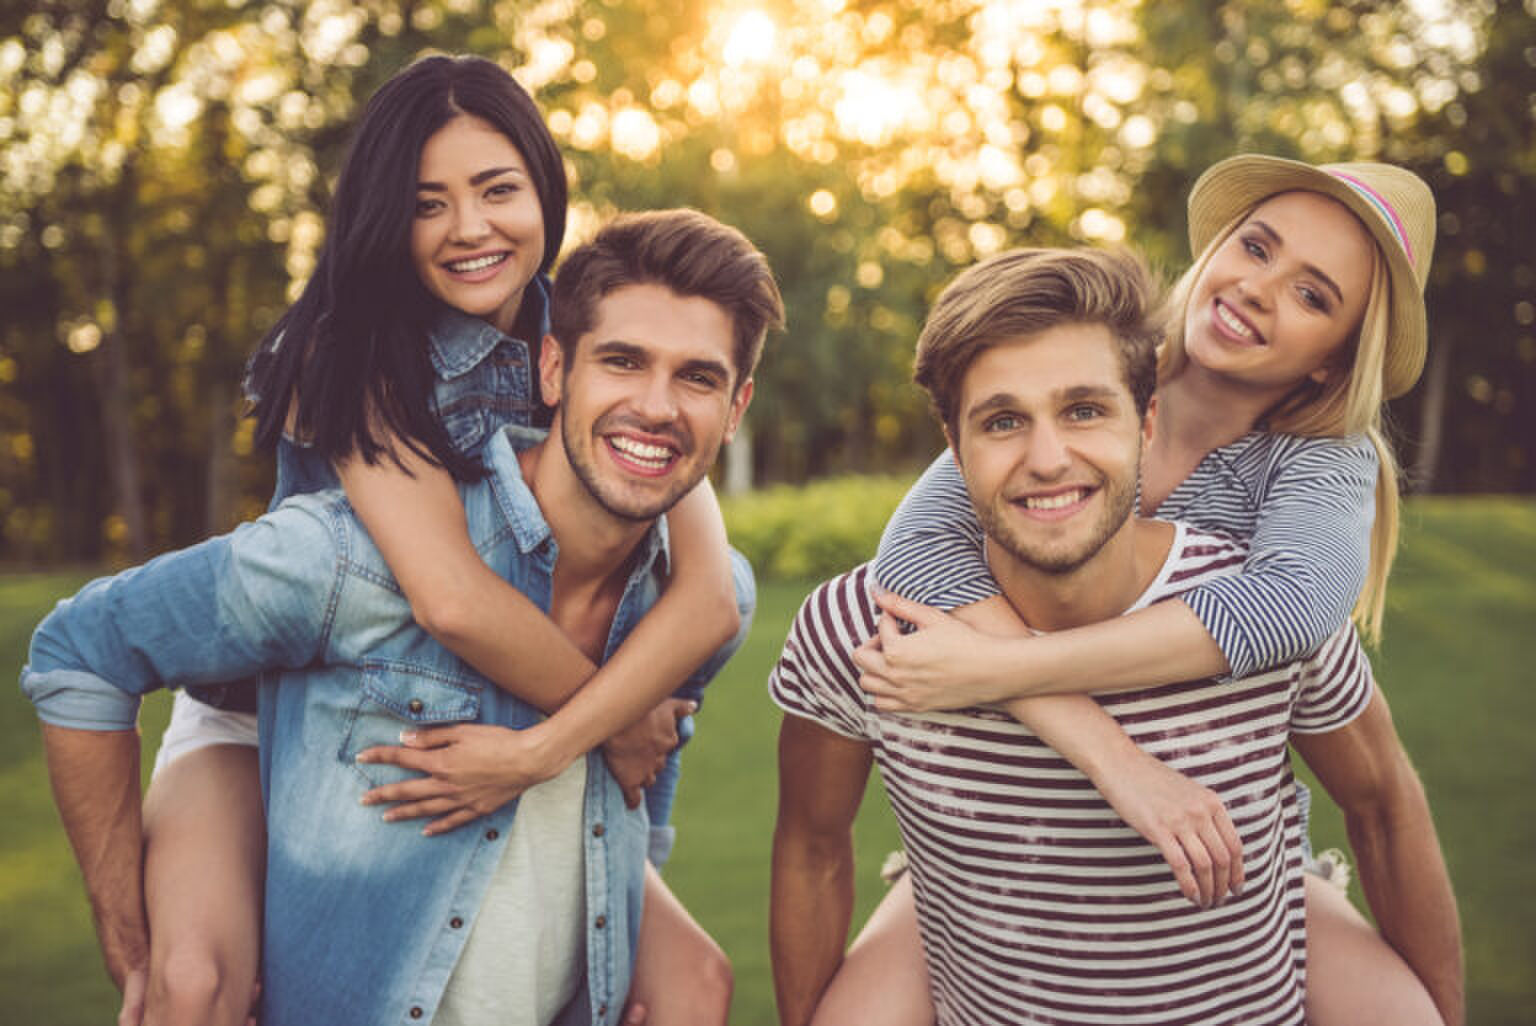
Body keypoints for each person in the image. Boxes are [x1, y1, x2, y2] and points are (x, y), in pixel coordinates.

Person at [24, 207, 784, 1026]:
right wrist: (132, 947)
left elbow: (648, 772)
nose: (657, 406)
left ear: (736, 409)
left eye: (697, 378)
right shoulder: (350, 560)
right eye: (623, 361)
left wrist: (627, 942)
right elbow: (80, 649)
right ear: (554, 369)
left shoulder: (705, 600)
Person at [137, 56, 745, 1026]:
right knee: (193, 986)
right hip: (272, 718)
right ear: (387, 218)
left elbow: (708, 597)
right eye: (428, 204)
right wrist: (610, 720)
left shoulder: (601, 340)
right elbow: (451, 597)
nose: (470, 227)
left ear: (545, 190)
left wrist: (574, 736)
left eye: (498, 190)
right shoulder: (352, 353)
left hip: (481, 701)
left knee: (692, 983)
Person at [832, 157, 1461, 1025]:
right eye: (1256, 248)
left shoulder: (1315, 463)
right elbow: (912, 556)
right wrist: (1114, 759)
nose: (1258, 289)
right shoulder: (1088, 371)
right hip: (997, 854)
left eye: (1313, 295)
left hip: (1218, 850)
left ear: (1333, 362)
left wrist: (994, 670)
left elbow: (1290, 606)